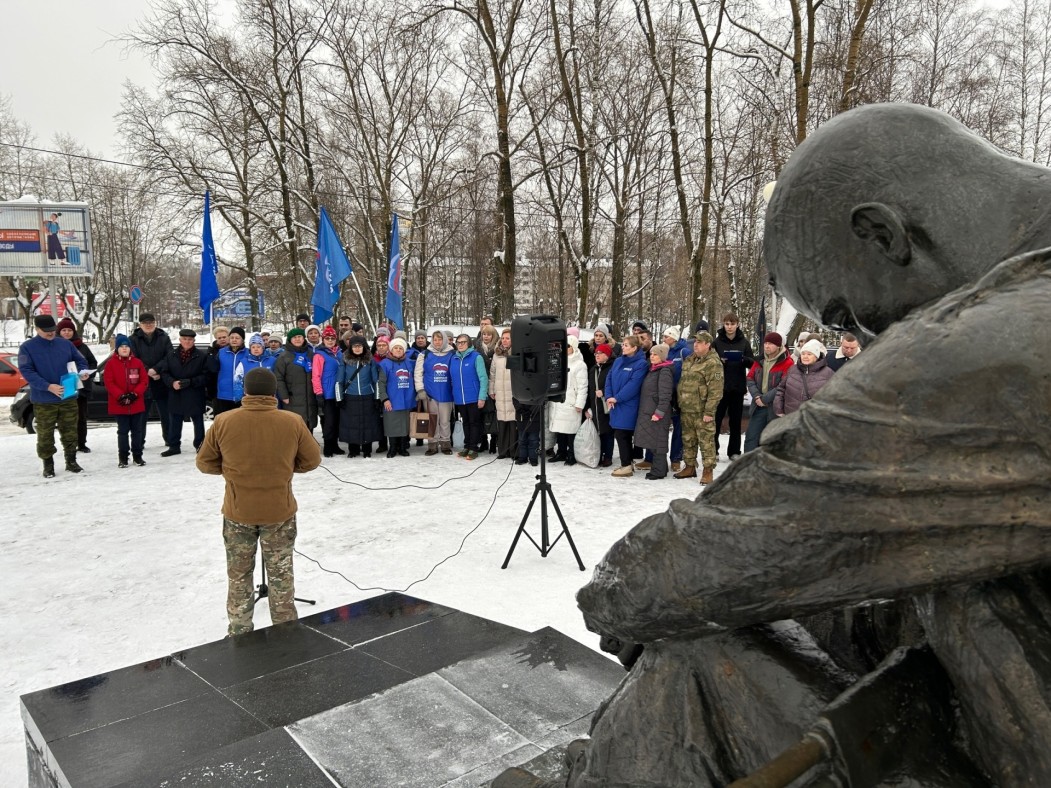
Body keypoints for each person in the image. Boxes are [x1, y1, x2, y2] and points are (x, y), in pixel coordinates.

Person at [537, 103, 1051, 788]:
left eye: (844, 312)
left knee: (691, 657)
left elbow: (694, 559)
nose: (864, 340)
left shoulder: (991, 344)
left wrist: (623, 596)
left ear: (882, 234)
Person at [196, 367, 321, 637]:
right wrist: (285, 470)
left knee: (239, 575)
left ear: (246, 391)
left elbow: (204, 463)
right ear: (273, 392)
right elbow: (312, 460)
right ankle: (285, 633)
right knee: (281, 575)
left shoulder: (224, 421)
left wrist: (233, 472)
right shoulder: (292, 421)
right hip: (279, 511)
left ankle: (240, 633)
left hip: (238, 511)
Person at [19, 314, 89, 477]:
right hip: (44, 400)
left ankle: (71, 461)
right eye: (46, 331)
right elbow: (27, 371)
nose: (51, 333)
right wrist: (48, 386)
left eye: (52, 330)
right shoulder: (27, 347)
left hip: (68, 396)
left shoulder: (65, 344)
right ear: (37, 329)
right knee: (45, 434)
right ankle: (48, 464)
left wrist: (82, 372)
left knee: (70, 431)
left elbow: (81, 361)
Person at [674, 331, 724, 485]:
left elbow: (716, 391)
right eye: (695, 341)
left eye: (699, 342)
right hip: (687, 408)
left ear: (707, 345)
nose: (695, 344)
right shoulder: (690, 360)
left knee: (706, 441)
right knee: (688, 439)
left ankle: (708, 470)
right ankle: (689, 467)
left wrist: (709, 412)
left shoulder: (713, 363)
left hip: (703, 411)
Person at [158, 329, 212, 456]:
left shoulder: (201, 356)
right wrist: (171, 382)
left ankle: (200, 445)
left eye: (190, 340)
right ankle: (174, 446)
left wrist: (191, 381)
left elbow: (206, 376)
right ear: (180, 340)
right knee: (174, 421)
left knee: (198, 422)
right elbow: (164, 372)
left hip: (194, 393)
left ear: (194, 341)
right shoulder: (171, 355)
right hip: (176, 393)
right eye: (184, 339)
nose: (187, 342)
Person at [711, 312, 754, 461]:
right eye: (727, 324)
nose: (729, 327)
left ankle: (734, 451)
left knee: (735, 422)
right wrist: (719, 361)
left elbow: (752, 362)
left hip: (737, 387)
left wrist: (743, 359)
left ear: (737, 324)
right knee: (716, 420)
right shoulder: (717, 342)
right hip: (719, 387)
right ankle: (713, 450)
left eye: (732, 324)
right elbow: (709, 361)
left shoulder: (744, 342)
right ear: (723, 324)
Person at [604, 334, 648, 477]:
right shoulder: (618, 361)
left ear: (635, 348)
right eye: (622, 344)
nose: (623, 347)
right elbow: (609, 378)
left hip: (628, 404)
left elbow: (633, 385)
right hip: (615, 403)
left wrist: (617, 398)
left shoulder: (641, 364)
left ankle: (626, 465)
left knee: (622, 434)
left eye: (626, 345)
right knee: (620, 433)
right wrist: (609, 396)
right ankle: (627, 463)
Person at [102, 334, 149, 467]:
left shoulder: (137, 362)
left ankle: (137, 456)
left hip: (136, 403)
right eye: (121, 346)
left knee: (137, 431)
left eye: (126, 346)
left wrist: (134, 394)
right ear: (117, 349)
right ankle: (123, 457)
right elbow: (109, 382)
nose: (124, 349)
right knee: (122, 431)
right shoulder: (111, 363)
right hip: (119, 404)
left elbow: (144, 381)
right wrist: (121, 396)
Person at [743, 332, 793, 453]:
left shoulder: (788, 362)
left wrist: (765, 399)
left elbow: (783, 385)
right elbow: (750, 379)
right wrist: (757, 397)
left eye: (770, 343)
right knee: (751, 438)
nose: (766, 346)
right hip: (758, 406)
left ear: (778, 345)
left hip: (775, 407)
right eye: (765, 343)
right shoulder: (759, 360)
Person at [130, 312, 174, 449]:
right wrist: (147, 371)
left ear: (155, 323)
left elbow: (170, 356)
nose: (148, 325)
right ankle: (139, 442)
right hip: (142, 382)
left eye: (151, 322)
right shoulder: (133, 339)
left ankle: (169, 440)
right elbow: (133, 358)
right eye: (145, 323)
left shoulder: (164, 337)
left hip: (161, 380)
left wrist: (156, 370)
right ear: (140, 325)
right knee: (141, 416)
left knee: (166, 414)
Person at [633, 343, 675, 480]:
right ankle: (660, 469)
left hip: (656, 413)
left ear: (662, 356)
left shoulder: (664, 371)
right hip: (649, 411)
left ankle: (659, 470)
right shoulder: (654, 369)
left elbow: (665, 395)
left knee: (658, 442)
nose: (652, 356)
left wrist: (659, 412)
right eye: (651, 354)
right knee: (654, 442)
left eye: (655, 354)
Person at [56, 317, 97, 454]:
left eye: (69, 330)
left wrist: (87, 374)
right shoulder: (54, 346)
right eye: (64, 330)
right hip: (63, 388)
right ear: (59, 332)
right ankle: (68, 444)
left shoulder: (82, 346)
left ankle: (82, 443)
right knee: (66, 419)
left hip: (81, 388)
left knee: (81, 418)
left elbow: (92, 362)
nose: (67, 333)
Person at [338, 335, 383, 458]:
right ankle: (353, 449)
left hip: (367, 395)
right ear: (350, 347)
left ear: (364, 347)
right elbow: (339, 381)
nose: (357, 348)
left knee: (367, 423)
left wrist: (377, 397)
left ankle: (367, 449)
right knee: (351, 424)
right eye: (354, 346)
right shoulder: (344, 360)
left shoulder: (370, 360)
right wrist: (339, 398)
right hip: (350, 396)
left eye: (360, 346)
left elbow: (376, 380)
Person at [547, 341, 589, 465]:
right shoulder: (558, 361)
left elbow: (583, 386)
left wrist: (580, 403)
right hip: (558, 401)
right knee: (560, 430)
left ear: (574, 347)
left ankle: (572, 454)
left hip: (571, 401)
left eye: (568, 346)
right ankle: (561, 452)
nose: (565, 348)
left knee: (571, 430)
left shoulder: (579, 364)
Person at [415, 329, 455, 455]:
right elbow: (418, 373)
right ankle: (432, 444)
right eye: (435, 339)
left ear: (444, 339)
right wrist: (420, 389)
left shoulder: (452, 353)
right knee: (432, 420)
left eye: (440, 339)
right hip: (430, 394)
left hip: (447, 393)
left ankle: (445, 443)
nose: (437, 342)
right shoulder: (425, 354)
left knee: (445, 420)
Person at [450, 333, 488, 460]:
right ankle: (467, 446)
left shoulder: (476, 357)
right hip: (460, 398)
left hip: (474, 397)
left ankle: (473, 447)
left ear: (469, 343)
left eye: (463, 342)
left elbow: (483, 378)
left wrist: (482, 397)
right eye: (458, 342)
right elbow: (452, 379)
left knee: (474, 423)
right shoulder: (453, 359)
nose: (460, 345)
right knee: (465, 422)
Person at [773, 338, 835, 417]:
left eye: (809, 354)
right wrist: (779, 409)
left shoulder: (828, 373)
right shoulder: (792, 369)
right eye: (803, 353)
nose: (805, 356)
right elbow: (781, 390)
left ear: (816, 356)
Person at [273, 328, 317, 431]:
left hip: (310, 399)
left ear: (304, 338)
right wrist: (284, 396)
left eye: (299, 337)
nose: (297, 339)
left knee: (308, 426)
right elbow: (278, 378)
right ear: (290, 340)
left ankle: (308, 447)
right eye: (294, 337)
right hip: (292, 399)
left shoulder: (311, 355)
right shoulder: (284, 357)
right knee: (294, 427)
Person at [378, 337, 417, 457]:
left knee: (404, 424)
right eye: (396, 348)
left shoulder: (410, 363)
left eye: (401, 348)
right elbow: (381, 383)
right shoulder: (384, 364)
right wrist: (385, 399)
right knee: (391, 424)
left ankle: (402, 447)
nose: (398, 350)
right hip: (392, 399)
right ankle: (393, 447)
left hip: (407, 398)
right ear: (391, 350)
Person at [312, 326, 345, 457]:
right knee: (329, 421)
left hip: (339, 393)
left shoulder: (340, 353)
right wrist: (318, 392)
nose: (330, 341)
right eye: (327, 338)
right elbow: (316, 375)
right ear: (323, 339)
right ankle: (328, 445)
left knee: (337, 420)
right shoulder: (320, 355)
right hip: (327, 393)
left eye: (332, 338)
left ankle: (335, 444)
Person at [488, 328, 517, 459]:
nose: (505, 341)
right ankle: (503, 450)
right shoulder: (496, 354)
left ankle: (513, 451)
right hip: (500, 392)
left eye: (508, 338)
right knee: (502, 421)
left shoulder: (516, 353)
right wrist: (491, 390)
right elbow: (492, 374)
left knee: (512, 421)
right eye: (503, 338)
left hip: (513, 392)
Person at [586, 343, 615, 467]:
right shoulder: (593, 369)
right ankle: (599, 454)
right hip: (595, 405)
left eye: (600, 353)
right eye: (596, 353)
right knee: (598, 431)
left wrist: (603, 391)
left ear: (607, 355)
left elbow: (615, 385)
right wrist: (586, 407)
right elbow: (588, 389)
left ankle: (608, 456)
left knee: (607, 432)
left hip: (607, 405)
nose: (597, 355)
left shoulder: (612, 368)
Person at [475, 324, 500, 453]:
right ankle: (483, 441)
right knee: (482, 414)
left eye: (489, 334)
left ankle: (494, 441)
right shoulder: (477, 348)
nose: (486, 336)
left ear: (493, 336)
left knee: (494, 414)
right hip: (481, 385)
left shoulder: (498, 348)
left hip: (495, 385)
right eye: (484, 334)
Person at [213, 326, 247, 415]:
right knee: (223, 423)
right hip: (224, 395)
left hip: (243, 396)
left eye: (237, 338)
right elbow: (213, 370)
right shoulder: (221, 352)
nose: (234, 340)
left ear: (242, 339)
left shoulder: (249, 353)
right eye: (232, 337)